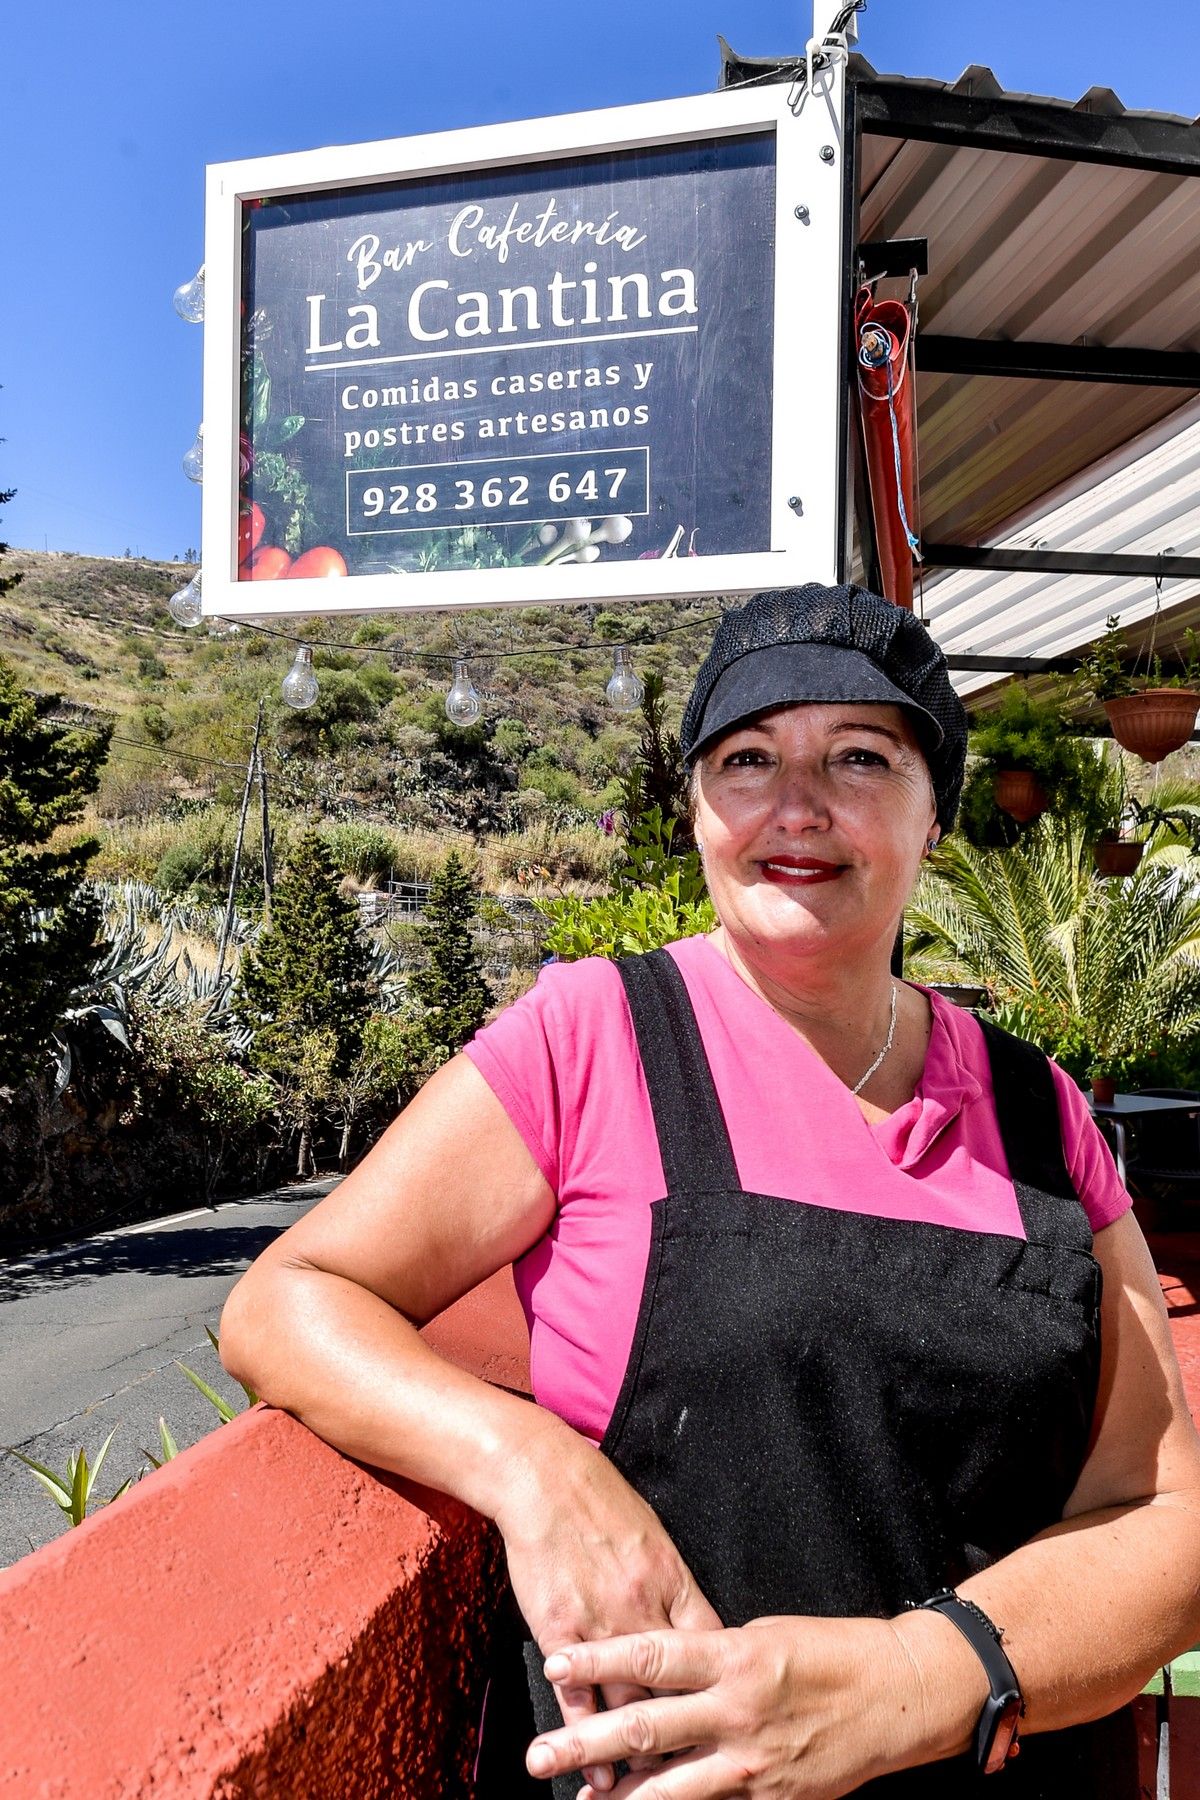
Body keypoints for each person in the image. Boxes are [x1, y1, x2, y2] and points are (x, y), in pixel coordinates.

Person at [220, 584, 1200, 1798]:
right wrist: (530, 1464)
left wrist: (917, 1680)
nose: (798, 807)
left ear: (933, 815)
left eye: (860, 756)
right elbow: (289, 1298)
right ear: (696, 811)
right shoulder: (594, 1040)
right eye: (747, 759)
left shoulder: (1040, 1112)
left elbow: (1161, 1515)